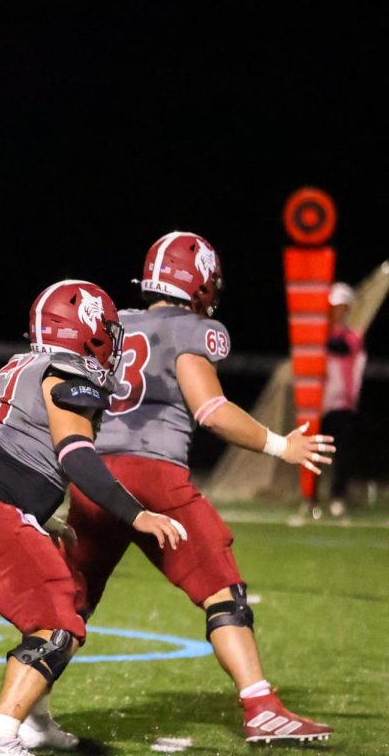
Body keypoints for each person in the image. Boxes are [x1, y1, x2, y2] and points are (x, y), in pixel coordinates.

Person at [66, 232, 334, 744]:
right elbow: (211, 411)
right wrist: (281, 447)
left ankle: (16, 719)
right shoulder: (192, 329)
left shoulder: (117, 323)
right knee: (222, 591)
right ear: (200, 282)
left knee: (67, 604)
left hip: (94, 473)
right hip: (153, 476)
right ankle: (261, 707)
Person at [0, 279, 186, 756]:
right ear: (84, 330)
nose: (113, 340)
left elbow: (8, 449)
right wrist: (136, 514)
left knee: (65, 602)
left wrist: (37, 516)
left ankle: (36, 724)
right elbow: (74, 454)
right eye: (106, 330)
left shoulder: (27, 364)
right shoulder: (64, 369)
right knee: (58, 624)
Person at [321, 281, 365, 518]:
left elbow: (336, 346)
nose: (335, 311)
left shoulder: (351, 338)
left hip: (342, 405)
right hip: (318, 404)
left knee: (343, 453)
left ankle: (338, 497)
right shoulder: (321, 333)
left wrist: (317, 333)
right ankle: (312, 496)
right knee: (312, 451)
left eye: (339, 307)